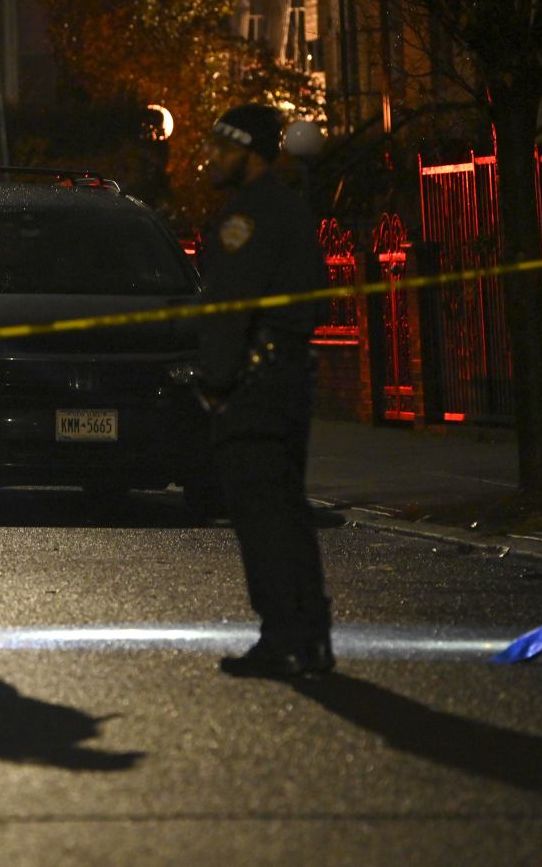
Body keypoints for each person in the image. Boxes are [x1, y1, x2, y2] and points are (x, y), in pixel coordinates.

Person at [193, 103, 334, 679]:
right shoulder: (292, 209)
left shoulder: (245, 218)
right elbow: (318, 295)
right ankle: (310, 634)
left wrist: (216, 381)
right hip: (290, 375)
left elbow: (229, 309)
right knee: (288, 511)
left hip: (254, 385)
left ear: (249, 154)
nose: (211, 157)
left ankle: (282, 637)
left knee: (261, 517)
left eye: (222, 148)